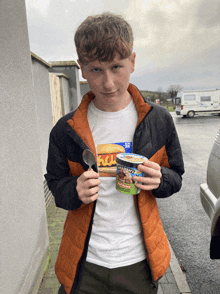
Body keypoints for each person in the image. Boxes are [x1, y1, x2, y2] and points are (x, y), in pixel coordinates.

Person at [45, 12, 184, 294]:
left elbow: (177, 176)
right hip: (84, 265)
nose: (108, 83)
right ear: (81, 68)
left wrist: (161, 179)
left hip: (138, 262)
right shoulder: (66, 129)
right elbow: (56, 184)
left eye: (116, 67)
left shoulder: (158, 120)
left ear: (132, 62)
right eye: (96, 70)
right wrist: (74, 190)